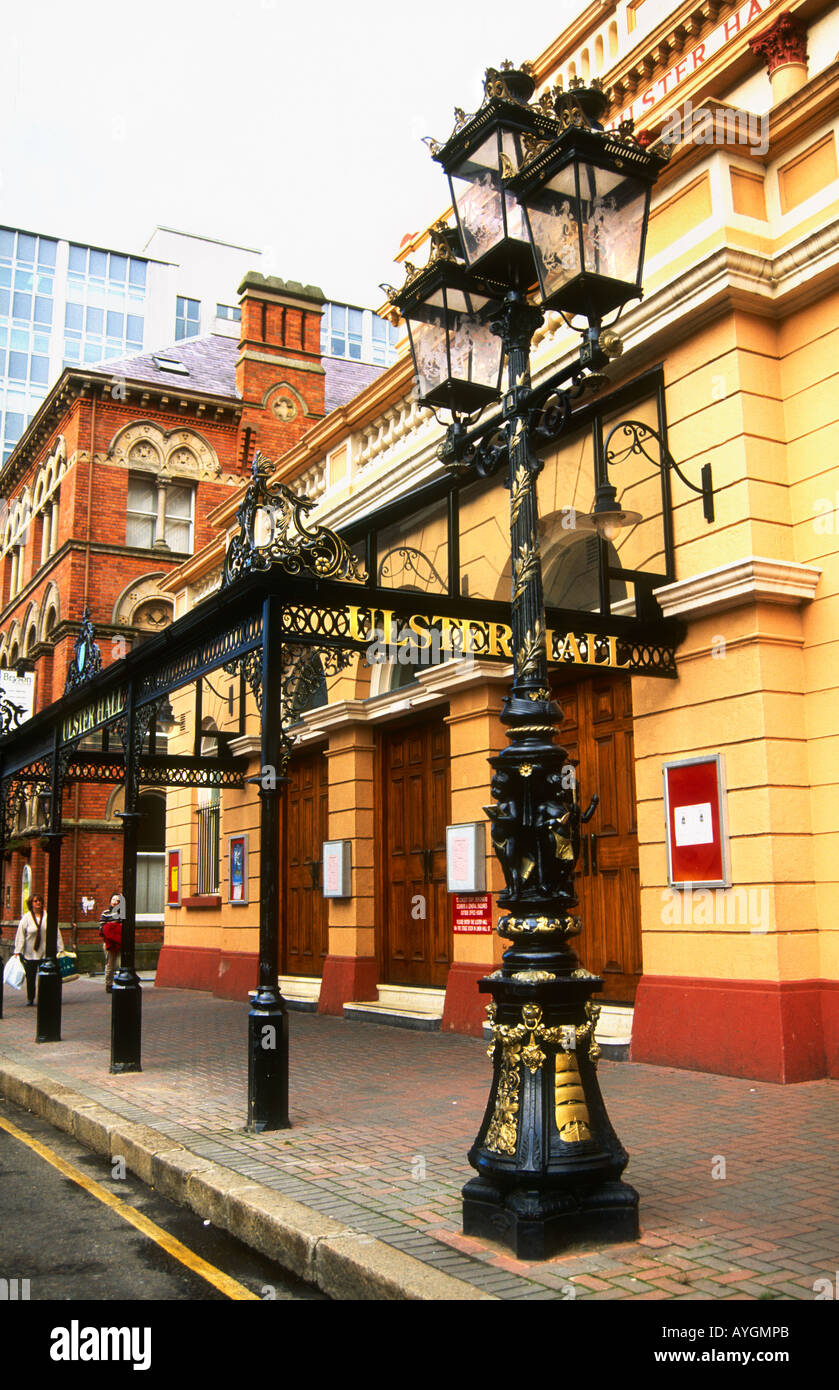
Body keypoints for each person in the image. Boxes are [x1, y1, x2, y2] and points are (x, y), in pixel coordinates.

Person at [14, 894, 64, 1006]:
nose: (38, 903)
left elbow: (56, 932)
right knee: (30, 978)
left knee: (45, 977)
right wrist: (18, 951)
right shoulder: (26, 918)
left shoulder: (47, 916)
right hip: (29, 953)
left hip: (44, 952)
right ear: (31, 904)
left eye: (40, 901)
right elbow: (21, 935)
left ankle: (44, 997)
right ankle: (30, 998)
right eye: (35, 901)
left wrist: (60, 948)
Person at [99, 893, 123, 993]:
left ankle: (121, 982)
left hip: (120, 943)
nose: (115, 902)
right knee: (110, 964)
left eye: (117, 900)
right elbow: (102, 928)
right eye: (113, 899)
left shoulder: (122, 913)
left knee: (121, 963)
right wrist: (113, 927)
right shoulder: (105, 913)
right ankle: (108, 984)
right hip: (109, 943)